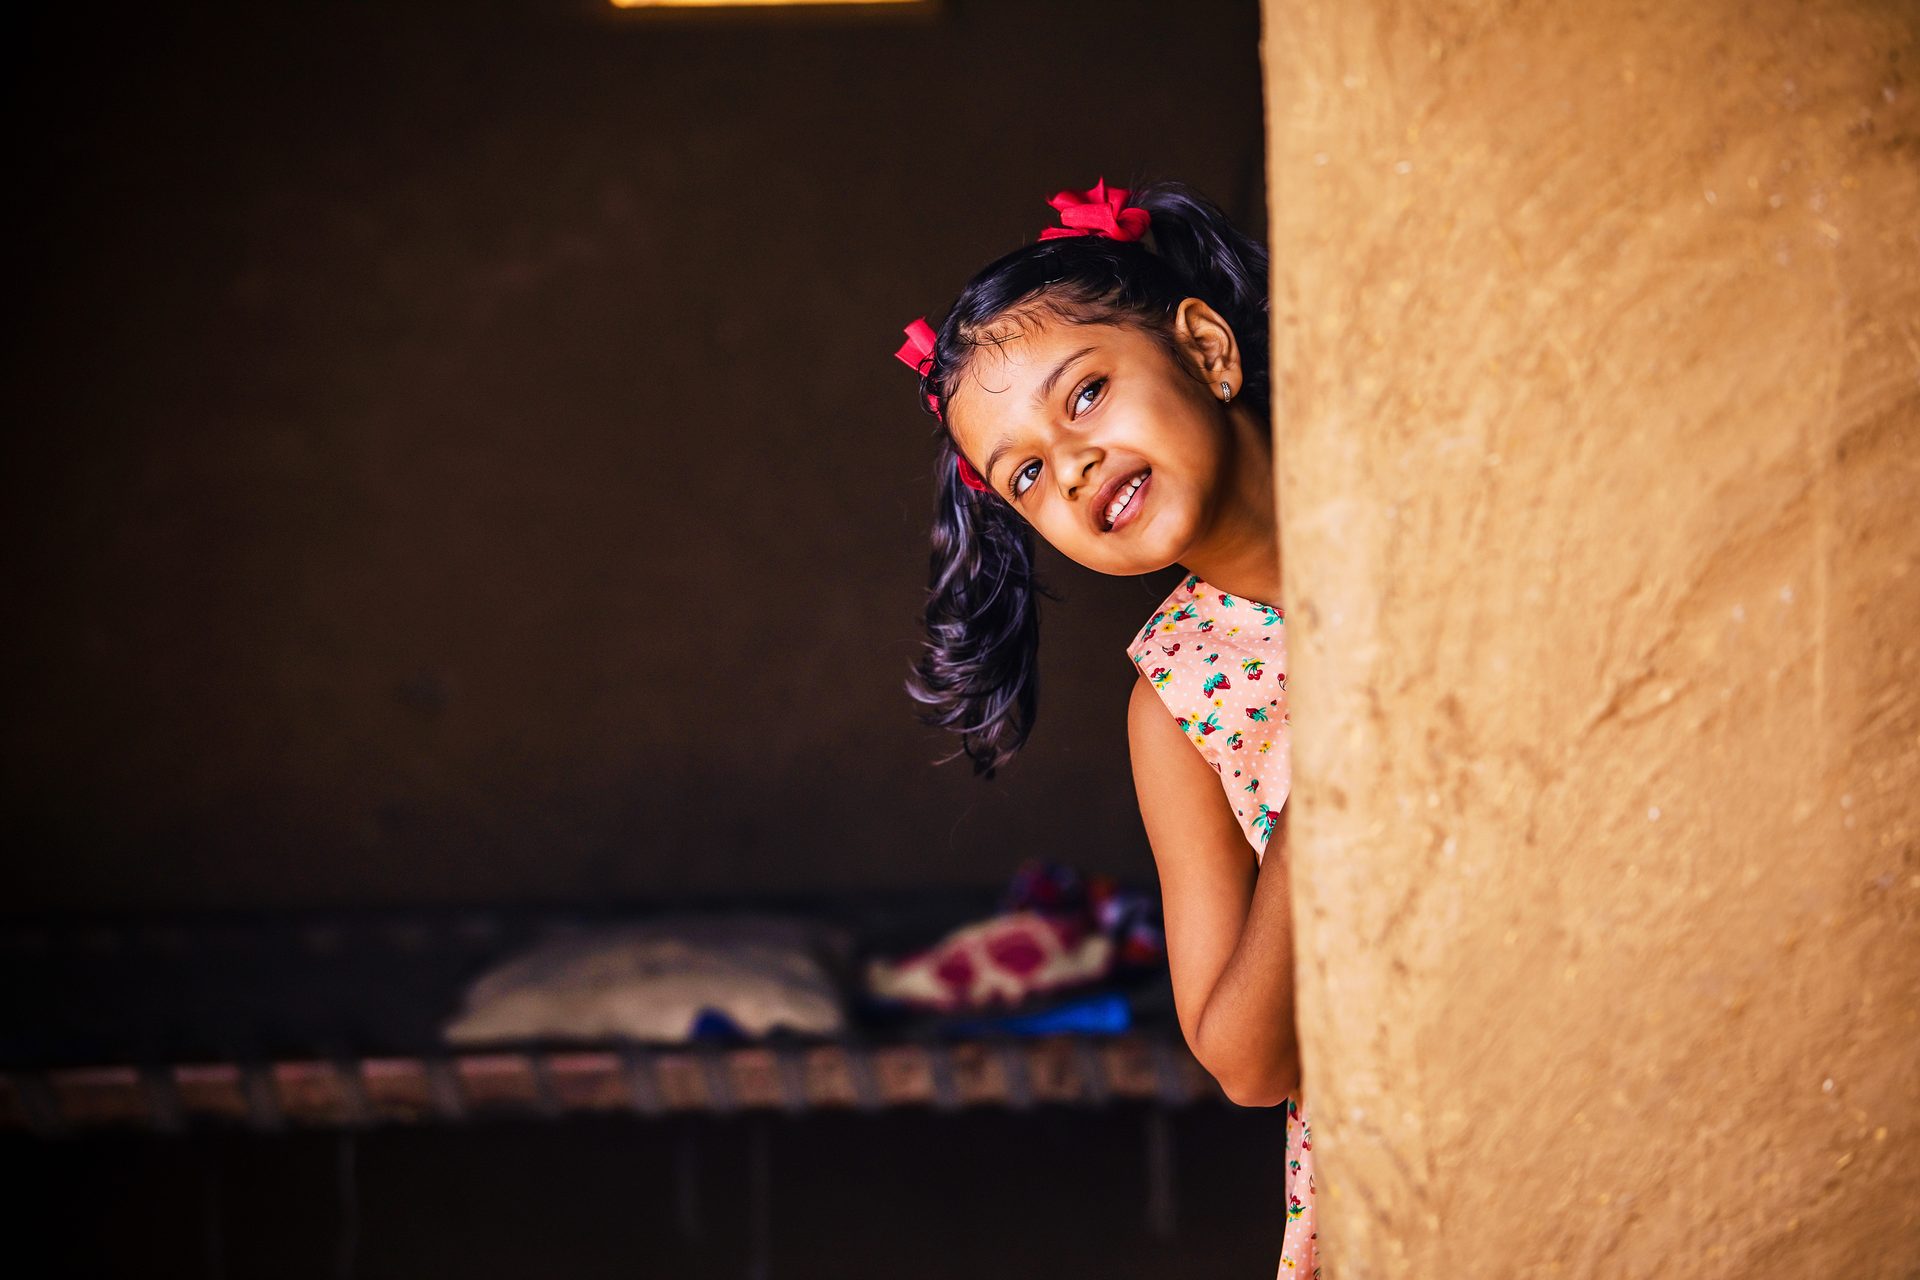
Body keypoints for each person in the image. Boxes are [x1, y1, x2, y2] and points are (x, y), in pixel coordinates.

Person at [893, 177, 1315, 1277]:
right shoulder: (1176, 702)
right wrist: (1330, 806)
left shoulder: (1439, 517)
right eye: (1025, 473)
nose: (1070, 463)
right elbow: (1246, 1059)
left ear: (1206, 348)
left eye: (1083, 395)